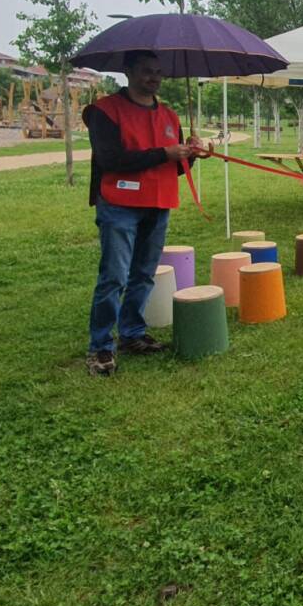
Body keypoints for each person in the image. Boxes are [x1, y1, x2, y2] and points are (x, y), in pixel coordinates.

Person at [83, 50, 207, 376]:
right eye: (145, 71)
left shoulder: (169, 115)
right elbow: (111, 160)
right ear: (127, 71)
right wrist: (164, 153)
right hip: (119, 205)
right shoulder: (105, 111)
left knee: (143, 275)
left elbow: (174, 167)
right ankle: (100, 347)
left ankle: (132, 334)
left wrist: (191, 154)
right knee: (114, 277)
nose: (153, 77)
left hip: (158, 203)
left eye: (157, 72)